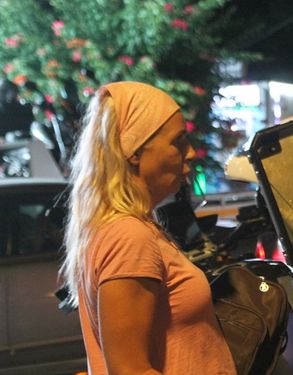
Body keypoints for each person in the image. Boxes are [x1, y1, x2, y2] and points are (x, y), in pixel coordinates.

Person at [61, 81, 236, 375]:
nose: (191, 153)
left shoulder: (130, 227)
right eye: (178, 142)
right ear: (135, 151)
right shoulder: (128, 236)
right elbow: (130, 370)